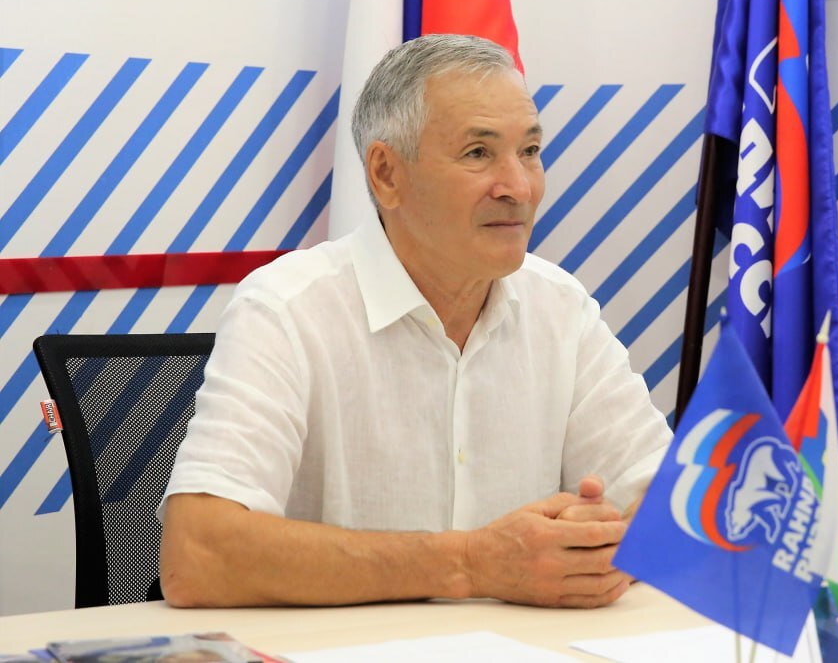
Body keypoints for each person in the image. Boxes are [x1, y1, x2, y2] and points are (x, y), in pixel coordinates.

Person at [158, 34, 673, 609]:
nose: (520, 187)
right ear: (386, 174)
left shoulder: (560, 306)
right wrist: (471, 564)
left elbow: (677, 507)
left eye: (529, 150)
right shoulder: (287, 309)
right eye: (478, 154)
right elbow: (197, 556)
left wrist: (596, 546)